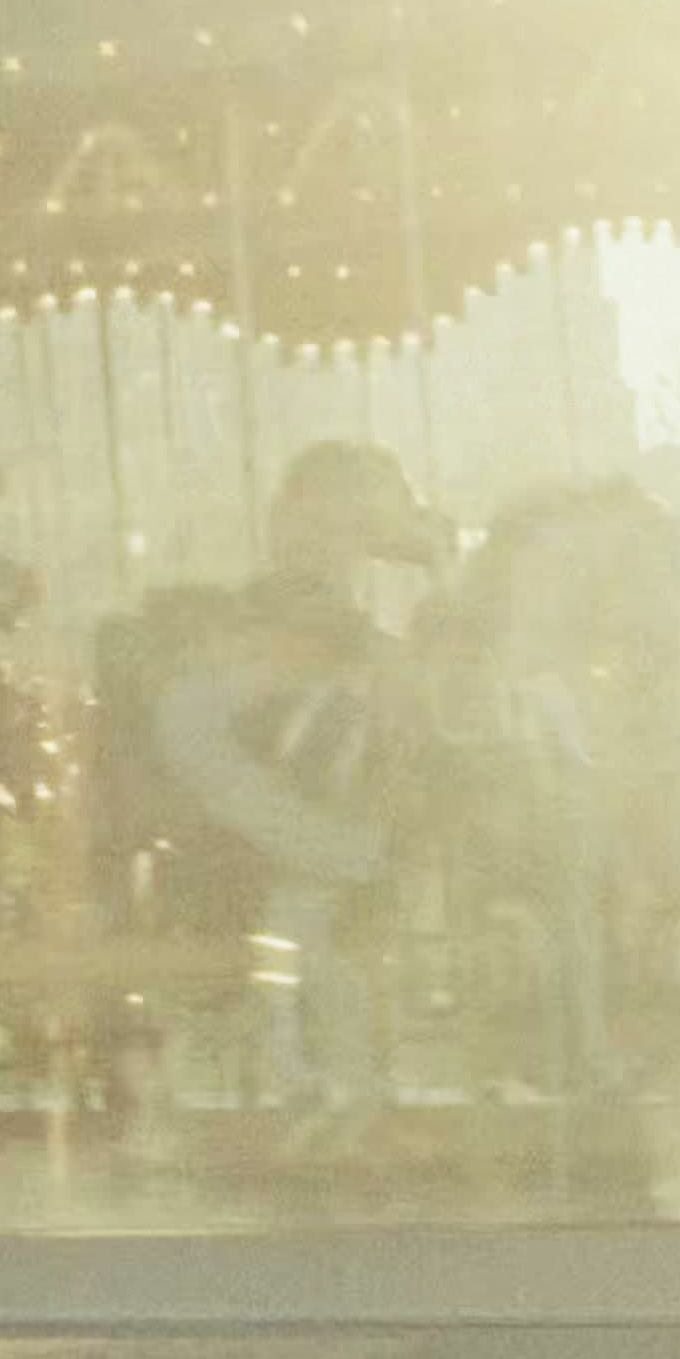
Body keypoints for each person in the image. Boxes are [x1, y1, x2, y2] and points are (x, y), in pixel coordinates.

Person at [146, 440, 438, 1133]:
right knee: (303, 935)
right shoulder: (272, 636)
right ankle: (318, 1079)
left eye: (339, 528)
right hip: (290, 818)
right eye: (319, 524)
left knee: (303, 936)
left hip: (311, 815)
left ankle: (316, 1079)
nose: (323, 542)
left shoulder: (348, 646)